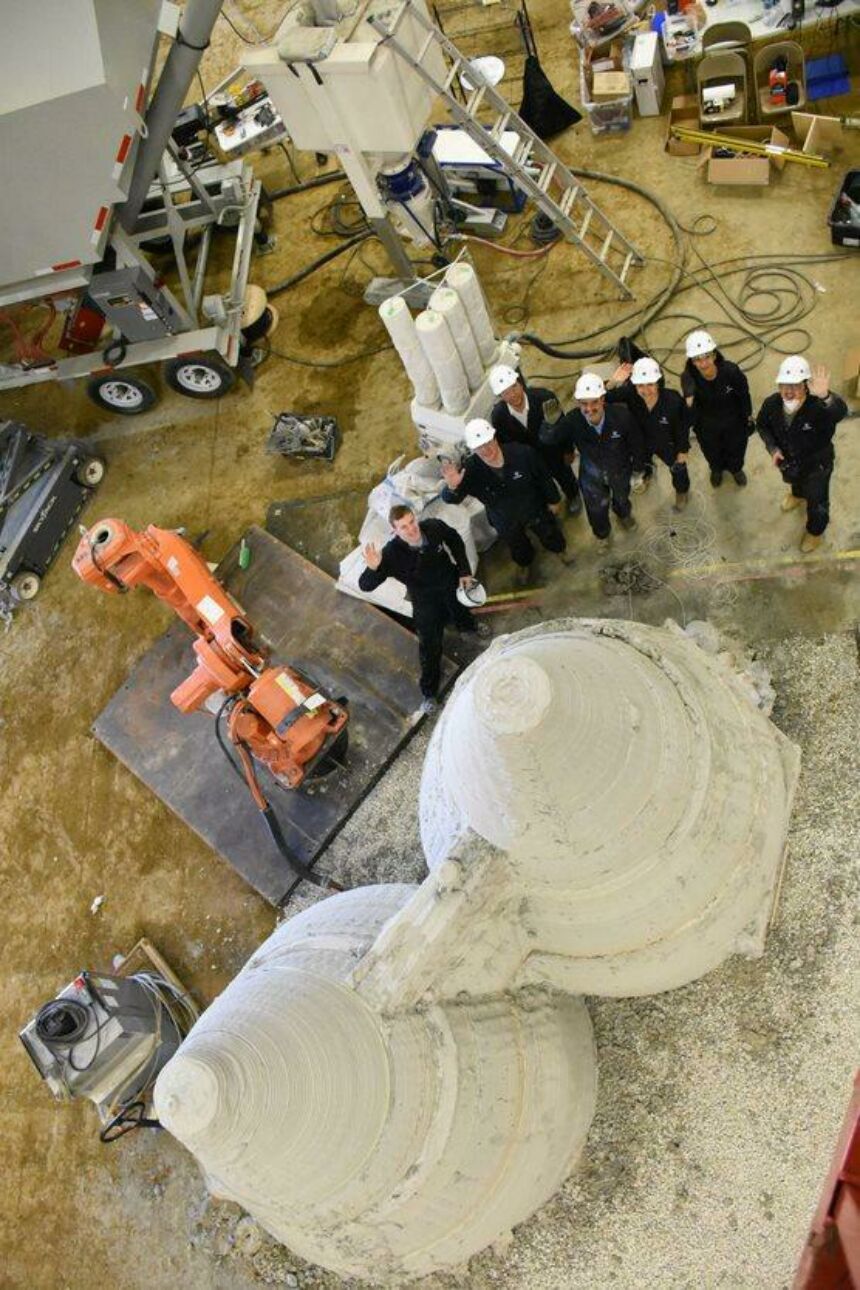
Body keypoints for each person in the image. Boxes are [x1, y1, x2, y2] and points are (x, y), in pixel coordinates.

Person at [359, 505, 490, 716]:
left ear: (416, 518)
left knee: (461, 611)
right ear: (395, 531)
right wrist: (373, 568)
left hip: (449, 583)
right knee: (429, 646)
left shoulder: (433, 527)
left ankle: (469, 628)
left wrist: (464, 571)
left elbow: (454, 538)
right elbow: (365, 585)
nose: (411, 529)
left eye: (412, 522)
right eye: (403, 527)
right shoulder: (391, 554)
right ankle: (429, 693)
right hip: (424, 600)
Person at [441, 417, 571, 585]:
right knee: (517, 546)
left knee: (549, 532)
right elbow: (452, 499)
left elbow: (543, 478)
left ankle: (560, 550)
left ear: (495, 438)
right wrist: (452, 487)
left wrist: (554, 500)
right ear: (473, 449)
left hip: (534, 508)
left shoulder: (522, 453)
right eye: (480, 447)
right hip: (504, 518)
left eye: (488, 442)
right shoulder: (471, 470)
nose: (486, 450)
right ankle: (525, 563)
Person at [755, 356, 848, 554]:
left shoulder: (819, 408)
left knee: (817, 502)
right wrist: (773, 448)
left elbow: (839, 413)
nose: (788, 392)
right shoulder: (772, 404)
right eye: (783, 385)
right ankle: (797, 495)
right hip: (789, 461)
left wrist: (826, 397)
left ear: (806, 386)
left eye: (795, 386)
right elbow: (762, 425)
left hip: (817, 466)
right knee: (794, 481)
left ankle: (815, 532)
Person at [541, 372, 643, 547]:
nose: (589, 409)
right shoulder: (573, 420)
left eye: (594, 402)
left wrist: (638, 469)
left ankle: (624, 515)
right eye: (584, 404)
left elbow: (637, 443)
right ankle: (602, 534)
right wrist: (550, 424)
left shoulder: (621, 416)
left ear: (603, 399)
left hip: (619, 469)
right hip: (591, 475)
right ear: (578, 403)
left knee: (621, 498)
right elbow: (549, 440)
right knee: (596, 509)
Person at [489, 364, 582, 516]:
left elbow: (563, 427)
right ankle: (551, 500)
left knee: (564, 476)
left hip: (553, 453)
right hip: (528, 461)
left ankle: (573, 495)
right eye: (505, 393)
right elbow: (504, 444)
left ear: (520, 383)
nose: (512, 394)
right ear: (500, 396)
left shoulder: (544, 398)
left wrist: (568, 450)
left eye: (514, 387)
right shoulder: (499, 416)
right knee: (540, 483)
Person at [607, 356, 692, 511]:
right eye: (640, 386)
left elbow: (682, 427)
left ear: (658, 382)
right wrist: (613, 382)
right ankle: (646, 474)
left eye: (650, 384)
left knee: (678, 470)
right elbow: (604, 397)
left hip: (667, 443)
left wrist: (682, 450)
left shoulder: (672, 400)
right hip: (642, 442)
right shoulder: (631, 394)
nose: (646, 391)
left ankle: (682, 492)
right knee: (640, 464)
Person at [681, 330, 752, 488]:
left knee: (737, 449)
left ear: (714, 355)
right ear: (692, 361)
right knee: (712, 452)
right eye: (697, 359)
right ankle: (716, 470)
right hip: (707, 426)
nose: (704, 363)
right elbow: (689, 416)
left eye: (707, 357)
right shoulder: (689, 380)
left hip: (733, 421)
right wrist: (689, 400)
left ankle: (736, 469)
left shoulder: (731, 372)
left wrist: (747, 415)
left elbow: (743, 394)